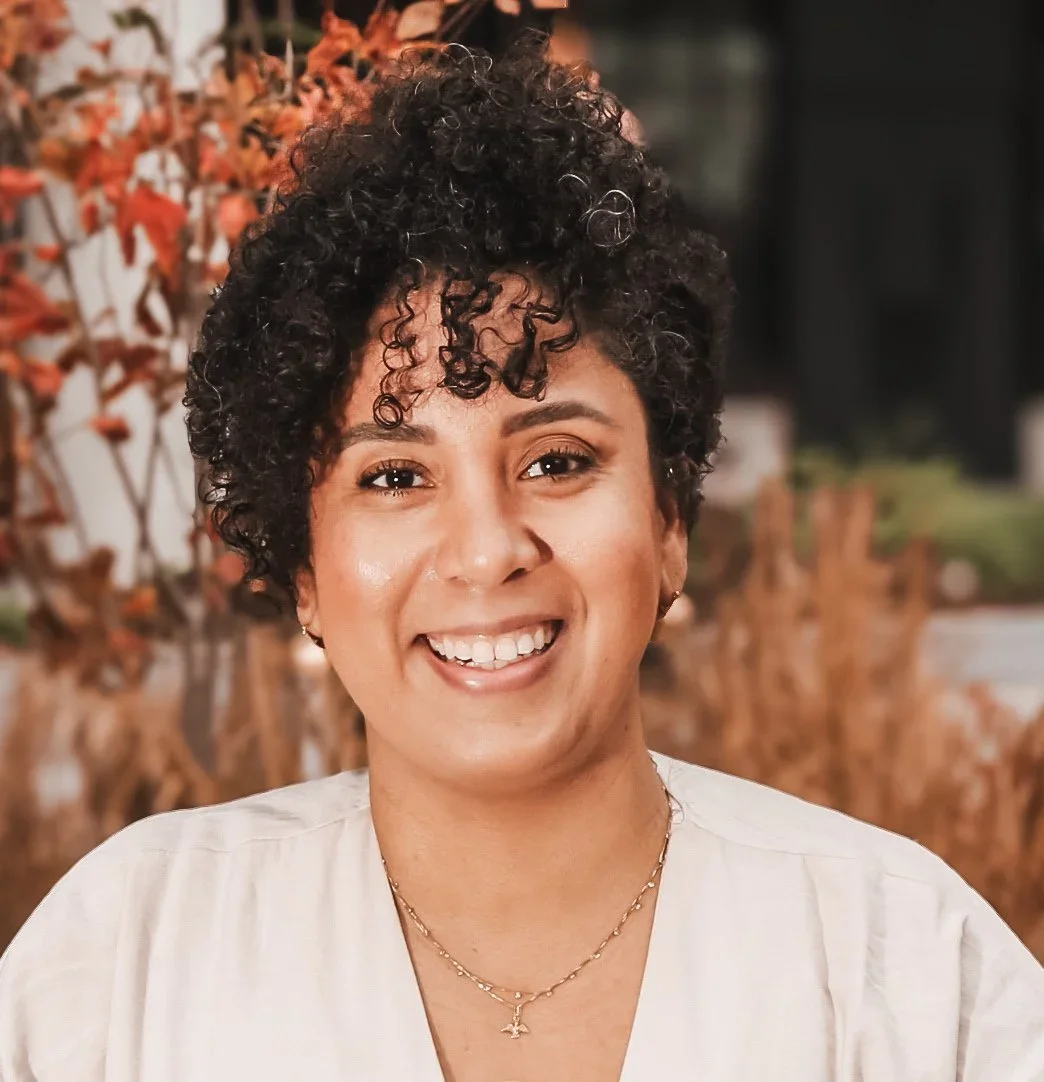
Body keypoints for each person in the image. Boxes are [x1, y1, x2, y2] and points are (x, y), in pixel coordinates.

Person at [2, 33, 1043, 1082]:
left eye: (557, 458)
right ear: (306, 570)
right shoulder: (126, 960)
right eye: (395, 476)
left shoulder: (898, 967)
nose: (488, 547)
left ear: (670, 523)